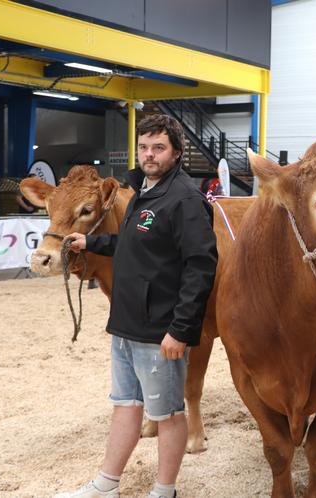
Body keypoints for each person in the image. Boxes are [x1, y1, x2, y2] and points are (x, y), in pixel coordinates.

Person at [57, 114, 218, 498]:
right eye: (144, 147)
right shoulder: (142, 191)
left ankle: (165, 491)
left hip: (159, 331)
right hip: (126, 324)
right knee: (125, 406)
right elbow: (133, 247)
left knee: (168, 415)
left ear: (176, 153)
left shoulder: (185, 200)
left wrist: (181, 329)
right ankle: (106, 485)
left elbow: (201, 266)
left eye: (158, 148)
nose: (149, 155)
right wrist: (90, 243)